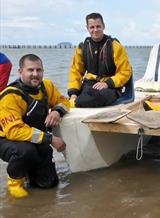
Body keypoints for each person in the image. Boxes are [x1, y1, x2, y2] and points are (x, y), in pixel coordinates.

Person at [0, 54, 70, 198]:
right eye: (30, 70)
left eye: (39, 70)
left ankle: (29, 172)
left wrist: (57, 111)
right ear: (20, 72)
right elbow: (14, 131)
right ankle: (14, 181)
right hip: (7, 140)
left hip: (36, 140)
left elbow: (64, 101)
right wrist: (50, 139)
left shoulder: (47, 86)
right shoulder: (10, 95)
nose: (35, 74)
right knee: (26, 151)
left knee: (49, 184)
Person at [68, 12, 132, 108]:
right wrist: (73, 92)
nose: (95, 30)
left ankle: (77, 102)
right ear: (87, 28)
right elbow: (75, 72)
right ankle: (77, 101)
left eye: (98, 26)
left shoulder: (115, 46)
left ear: (103, 26)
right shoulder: (82, 47)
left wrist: (107, 83)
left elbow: (125, 72)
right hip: (89, 86)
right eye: (92, 27)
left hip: (110, 88)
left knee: (99, 97)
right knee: (83, 94)